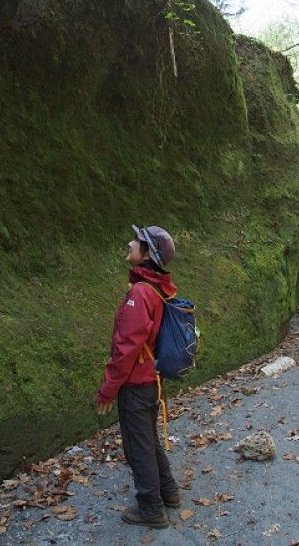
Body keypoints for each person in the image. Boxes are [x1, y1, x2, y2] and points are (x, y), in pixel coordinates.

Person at [95, 224, 180, 529]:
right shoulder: (156, 288)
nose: (131, 242)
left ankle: (151, 509)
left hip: (136, 382)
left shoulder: (141, 292)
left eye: (138, 241)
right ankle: (168, 492)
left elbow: (125, 349)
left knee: (137, 446)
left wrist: (107, 390)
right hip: (151, 380)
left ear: (147, 254)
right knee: (148, 441)